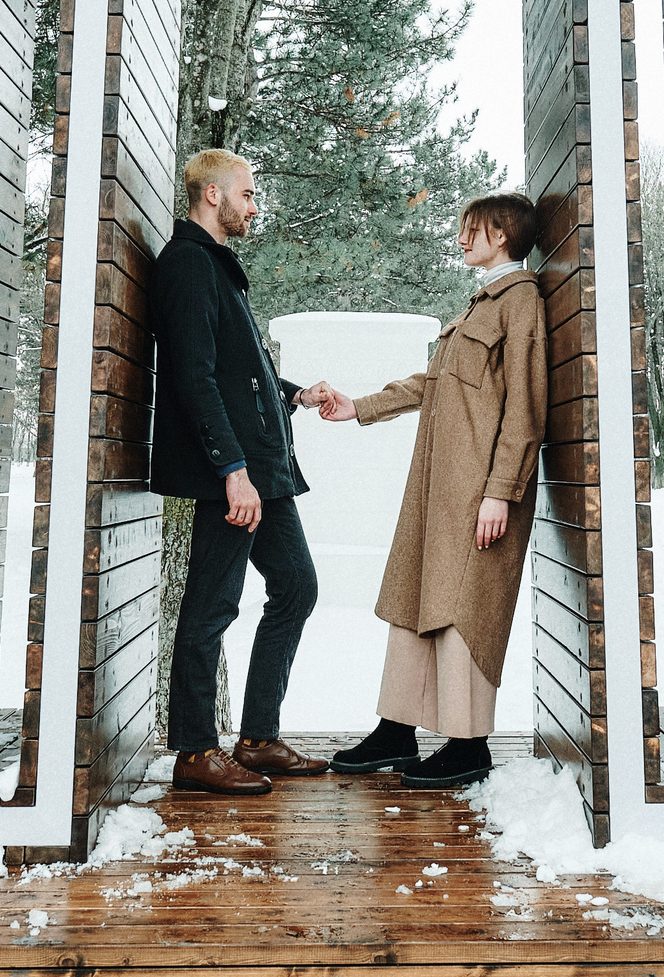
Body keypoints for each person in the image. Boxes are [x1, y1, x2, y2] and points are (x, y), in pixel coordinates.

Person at [319, 192, 548, 788]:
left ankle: (468, 745)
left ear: (501, 234)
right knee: (414, 597)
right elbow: (434, 382)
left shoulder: (519, 303)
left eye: (472, 229)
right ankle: (397, 730)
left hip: (478, 490)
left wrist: (501, 490)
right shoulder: (481, 304)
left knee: (462, 608)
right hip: (439, 486)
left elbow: (526, 408)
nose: (461, 238)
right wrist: (360, 407)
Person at [149, 148, 346, 796]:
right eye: (248, 194)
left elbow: (238, 372)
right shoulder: (186, 265)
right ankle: (195, 749)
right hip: (233, 473)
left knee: (295, 586)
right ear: (212, 194)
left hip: (265, 467)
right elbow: (195, 378)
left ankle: (257, 737)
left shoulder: (216, 267)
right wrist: (231, 469)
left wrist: (293, 394)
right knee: (212, 605)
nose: (254, 206)